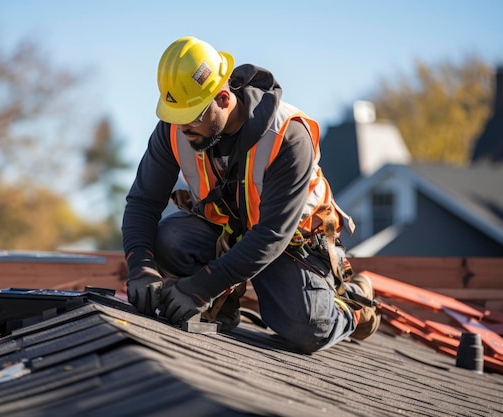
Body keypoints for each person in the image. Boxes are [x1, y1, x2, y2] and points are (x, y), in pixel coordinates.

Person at [122, 36, 380, 353]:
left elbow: (272, 234)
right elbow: (143, 202)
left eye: (192, 115)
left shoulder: (287, 137)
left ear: (223, 99)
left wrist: (199, 288)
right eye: (176, 116)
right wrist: (141, 268)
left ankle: (354, 306)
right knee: (170, 239)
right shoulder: (175, 127)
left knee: (307, 329)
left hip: (290, 244)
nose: (183, 128)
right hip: (228, 232)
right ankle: (222, 308)